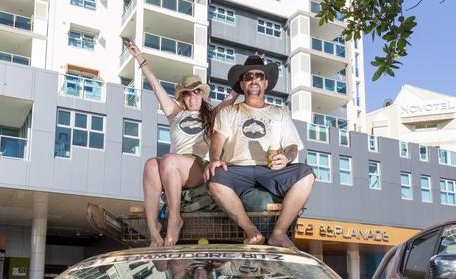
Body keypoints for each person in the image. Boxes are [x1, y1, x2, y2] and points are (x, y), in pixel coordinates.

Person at [127, 39, 238, 247]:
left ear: (202, 95)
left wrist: (250, 69)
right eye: (188, 93)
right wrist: (139, 57)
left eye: (196, 91)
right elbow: (154, 84)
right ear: (182, 96)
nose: (192, 96)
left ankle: (174, 219)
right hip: (173, 170)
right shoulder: (175, 113)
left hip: (198, 168)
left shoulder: (212, 115)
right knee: (151, 164)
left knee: (167, 159)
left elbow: (232, 97)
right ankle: (154, 232)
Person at [203, 55, 315, 250]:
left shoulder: (279, 113)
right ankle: (251, 230)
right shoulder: (229, 112)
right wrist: (214, 160)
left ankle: (278, 233)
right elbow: (217, 141)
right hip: (238, 168)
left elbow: (292, 146)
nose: (253, 80)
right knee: (215, 177)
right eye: (248, 77)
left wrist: (286, 157)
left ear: (265, 82)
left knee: (306, 174)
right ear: (242, 84)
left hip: (270, 169)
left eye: (258, 76)